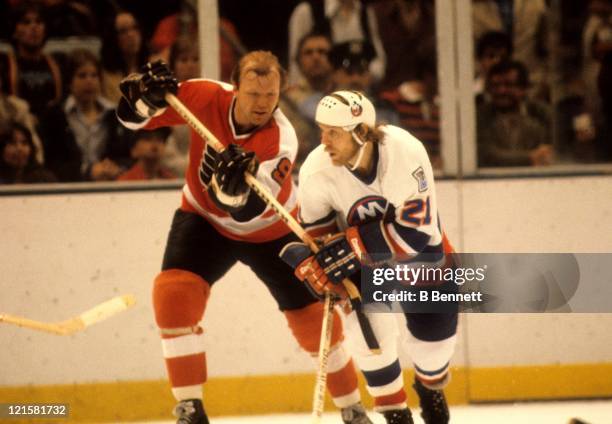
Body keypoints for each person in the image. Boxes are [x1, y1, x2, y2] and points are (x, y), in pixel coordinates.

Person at [116, 52, 373, 424]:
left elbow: (247, 209)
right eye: (253, 94)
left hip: (272, 232)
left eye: (271, 96)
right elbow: (133, 122)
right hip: (202, 218)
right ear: (234, 88)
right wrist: (139, 99)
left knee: (316, 323)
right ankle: (189, 407)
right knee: (172, 295)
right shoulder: (205, 96)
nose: (262, 105)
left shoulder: (282, 138)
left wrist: (231, 193)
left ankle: (352, 409)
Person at [280, 90, 458, 424]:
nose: (323, 140)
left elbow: (414, 236)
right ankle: (394, 412)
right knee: (364, 326)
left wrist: (348, 246)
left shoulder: (405, 153)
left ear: (361, 133)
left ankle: (430, 384)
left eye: (334, 132)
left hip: (421, 257)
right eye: (322, 130)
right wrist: (319, 265)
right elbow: (317, 237)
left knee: (434, 349)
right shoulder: (317, 171)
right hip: (365, 264)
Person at [39, 49, 131, 182]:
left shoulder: (116, 115)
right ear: (69, 82)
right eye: (82, 76)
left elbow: (128, 155)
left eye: (94, 76)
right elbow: (51, 163)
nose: (89, 81)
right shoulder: (54, 116)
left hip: (110, 186)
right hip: (67, 189)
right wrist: (87, 171)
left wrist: (116, 168)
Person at [288, 0, 386, 85]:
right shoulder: (307, 11)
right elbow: (295, 62)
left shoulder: (365, 12)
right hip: (318, 92)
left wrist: (366, 76)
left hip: (360, 90)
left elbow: (378, 59)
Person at [477, 60, 554, 167]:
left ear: (524, 88)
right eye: (496, 85)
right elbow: (484, 154)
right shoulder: (480, 116)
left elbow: (553, 151)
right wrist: (529, 158)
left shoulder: (541, 113)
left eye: (508, 85)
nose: (501, 91)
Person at [0, 1, 63, 120]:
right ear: (14, 31)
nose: (34, 27)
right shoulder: (5, 64)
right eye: (26, 22)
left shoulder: (57, 63)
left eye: (39, 22)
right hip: (18, 125)